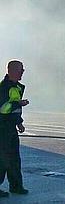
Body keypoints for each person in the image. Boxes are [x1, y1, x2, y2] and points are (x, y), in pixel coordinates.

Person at [0, 60, 30, 196]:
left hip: (10, 128)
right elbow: (3, 109)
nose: (22, 72)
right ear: (11, 70)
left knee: (14, 159)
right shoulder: (4, 87)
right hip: (2, 128)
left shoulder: (17, 87)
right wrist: (18, 103)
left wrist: (19, 122)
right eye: (20, 69)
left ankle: (16, 186)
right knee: (2, 159)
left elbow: (14, 111)